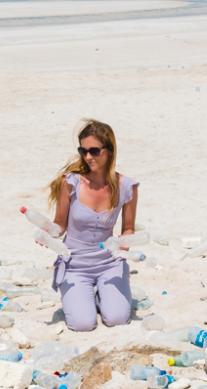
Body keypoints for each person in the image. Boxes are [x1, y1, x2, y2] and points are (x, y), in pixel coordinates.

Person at [47, 119, 138, 331]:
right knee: (82, 324)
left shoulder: (127, 186)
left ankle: (100, 298)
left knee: (116, 319)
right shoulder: (70, 182)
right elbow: (59, 224)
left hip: (109, 262)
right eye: (83, 151)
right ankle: (84, 297)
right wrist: (49, 233)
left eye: (95, 151)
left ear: (110, 151)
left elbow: (129, 228)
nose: (88, 157)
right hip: (75, 263)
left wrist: (126, 241)